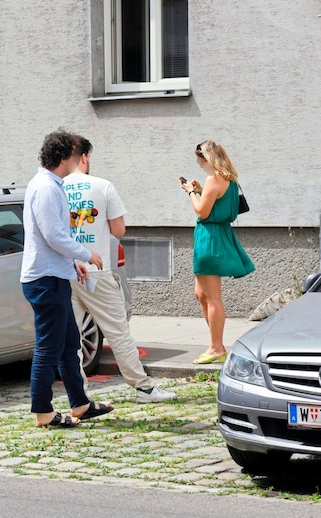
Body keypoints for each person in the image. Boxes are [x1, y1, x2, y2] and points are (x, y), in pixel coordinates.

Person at [65, 137, 177, 403]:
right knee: (118, 332)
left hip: (67, 269)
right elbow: (119, 230)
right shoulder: (103, 186)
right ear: (84, 157)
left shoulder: (57, 187)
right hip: (96, 268)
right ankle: (144, 388)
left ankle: (78, 395)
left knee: (71, 337)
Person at [21, 129, 114, 428]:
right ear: (64, 156)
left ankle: (81, 404)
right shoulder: (46, 188)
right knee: (49, 347)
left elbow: (52, 238)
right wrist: (85, 254)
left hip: (54, 274)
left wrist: (73, 262)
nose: (80, 161)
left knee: (68, 343)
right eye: (77, 155)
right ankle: (43, 412)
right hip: (45, 279)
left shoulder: (51, 184)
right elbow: (54, 235)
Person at [181, 140, 255, 364]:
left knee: (212, 297)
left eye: (199, 158)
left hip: (210, 237)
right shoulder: (229, 179)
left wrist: (191, 192)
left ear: (207, 158)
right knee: (201, 294)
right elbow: (217, 202)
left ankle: (216, 347)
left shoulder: (213, 178)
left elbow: (202, 212)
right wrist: (202, 191)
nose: (198, 162)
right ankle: (217, 343)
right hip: (217, 234)